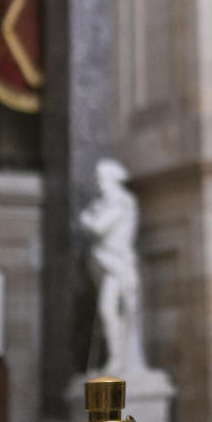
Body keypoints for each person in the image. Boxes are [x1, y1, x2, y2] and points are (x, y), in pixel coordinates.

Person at [79, 158, 147, 373]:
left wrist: (85, 217)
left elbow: (99, 227)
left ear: (111, 179)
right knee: (107, 310)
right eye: (98, 179)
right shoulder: (108, 203)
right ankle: (116, 358)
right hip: (108, 262)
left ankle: (119, 359)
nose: (99, 183)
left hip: (118, 263)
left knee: (110, 309)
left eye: (102, 178)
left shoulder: (121, 202)